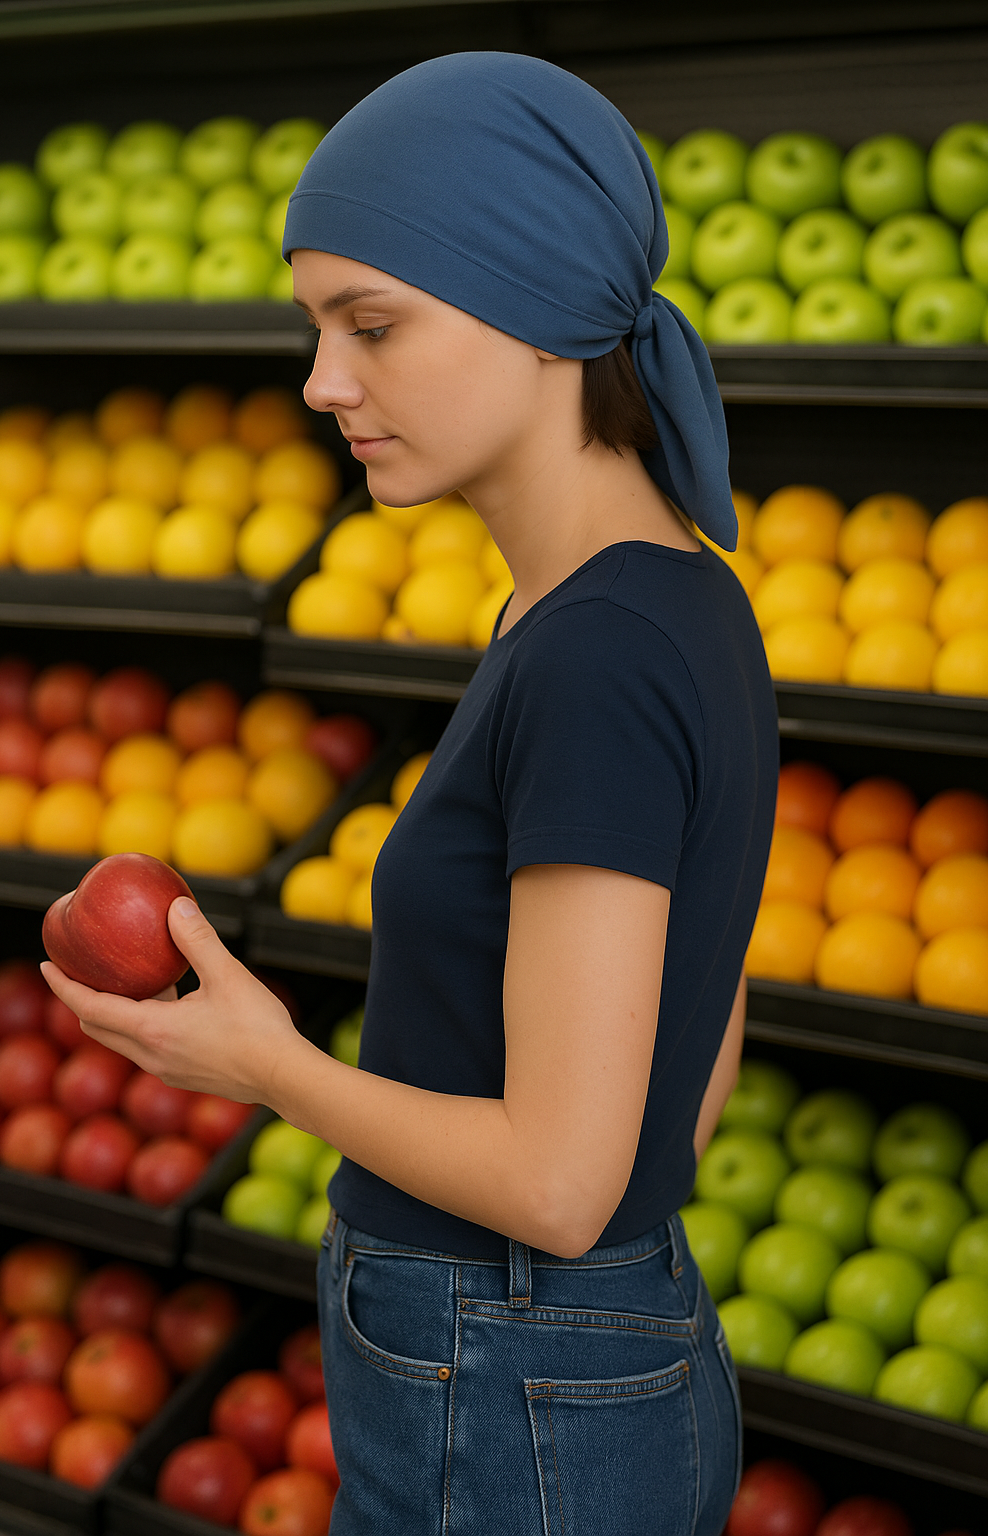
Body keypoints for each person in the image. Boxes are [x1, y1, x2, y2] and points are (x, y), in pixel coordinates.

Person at [43, 52, 778, 1536]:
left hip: (511, 1378)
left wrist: (268, 1064)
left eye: (372, 323)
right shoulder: (668, 597)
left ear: (545, 311)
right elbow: (698, 1018)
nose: (324, 382)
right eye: (318, 326)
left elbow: (565, 1191)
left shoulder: (592, 653)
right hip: (577, 1355)